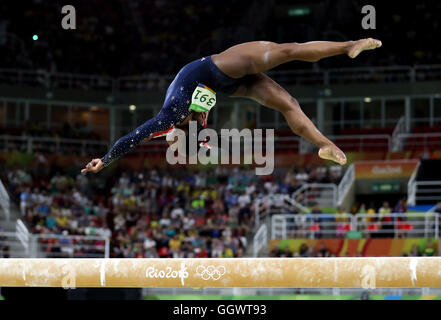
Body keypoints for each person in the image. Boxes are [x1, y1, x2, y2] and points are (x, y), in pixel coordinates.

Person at [81, 38, 382, 173]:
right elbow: (209, 147)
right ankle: (325, 145)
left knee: (286, 51)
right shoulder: (196, 135)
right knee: (288, 103)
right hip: (228, 86)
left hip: (214, 67)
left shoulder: (167, 119)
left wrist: (104, 161)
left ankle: (348, 46)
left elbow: (130, 139)